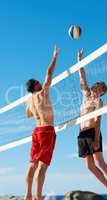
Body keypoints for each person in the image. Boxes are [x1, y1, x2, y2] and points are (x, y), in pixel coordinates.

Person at [77, 49, 107, 200]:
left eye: (100, 88)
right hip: (82, 133)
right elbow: (82, 78)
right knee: (89, 166)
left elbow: (98, 121)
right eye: (97, 84)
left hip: (92, 132)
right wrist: (79, 61)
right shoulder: (86, 95)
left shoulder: (98, 101)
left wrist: (96, 139)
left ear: (101, 92)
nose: (97, 87)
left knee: (100, 162)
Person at [24, 46, 59, 200]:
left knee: (32, 164)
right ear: (36, 86)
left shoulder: (29, 100)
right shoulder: (43, 92)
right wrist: (55, 56)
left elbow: (28, 114)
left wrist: (37, 109)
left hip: (36, 131)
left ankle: (28, 194)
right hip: (46, 131)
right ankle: (38, 197)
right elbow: (49, 73)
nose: (41, 82)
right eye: (38, 82)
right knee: (42, 166)